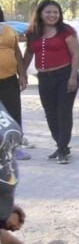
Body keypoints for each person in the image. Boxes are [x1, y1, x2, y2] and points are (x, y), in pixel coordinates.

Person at [21, 0, 79, 164]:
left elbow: (76, 54)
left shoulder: (66, 31)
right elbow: (28, 54)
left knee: (63, 111)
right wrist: (22, 74)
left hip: (65, 75)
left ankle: (62, 149)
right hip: (44, 78)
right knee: (50, 113)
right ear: (40, 13)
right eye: (48, 12)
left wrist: (73, 76)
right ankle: (61, 145)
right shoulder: (33, 32)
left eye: (56, 12)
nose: (52, 15)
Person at [0, 24, 29, 161]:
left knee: (13, 113)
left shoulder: (8, 30)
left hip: (9, 79)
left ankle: (14, 148)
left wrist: (22, 74)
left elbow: (17, 52)